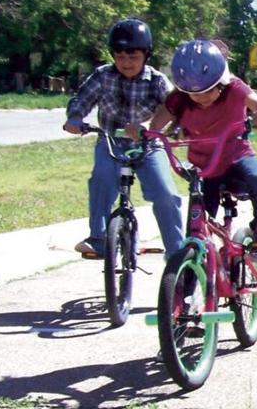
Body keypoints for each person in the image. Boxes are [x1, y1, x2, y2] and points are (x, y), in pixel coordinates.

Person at [63, 18, 184, 257]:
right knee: (102, 179)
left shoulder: (157, 81)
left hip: (149, 147)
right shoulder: (103, 76)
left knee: (166, 194)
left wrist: (154, 127)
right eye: (119, 56)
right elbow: (81, 100)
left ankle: (177, 253)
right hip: (110, 143)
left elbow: (175, 111)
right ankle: (98, 239)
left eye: (133, 57)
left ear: (146, 56)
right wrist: (75, 118)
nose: (125, 62)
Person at [148, 40, 257, 255]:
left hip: (237, 157)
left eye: (207, 91)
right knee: (198, 223)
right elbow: (157, 122)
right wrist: (145, 130)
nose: (199, 97)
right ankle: (189, 271)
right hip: (204, 167)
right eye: (192, 93)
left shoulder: (235, 88)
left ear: (221, 81)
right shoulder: (180, 98)